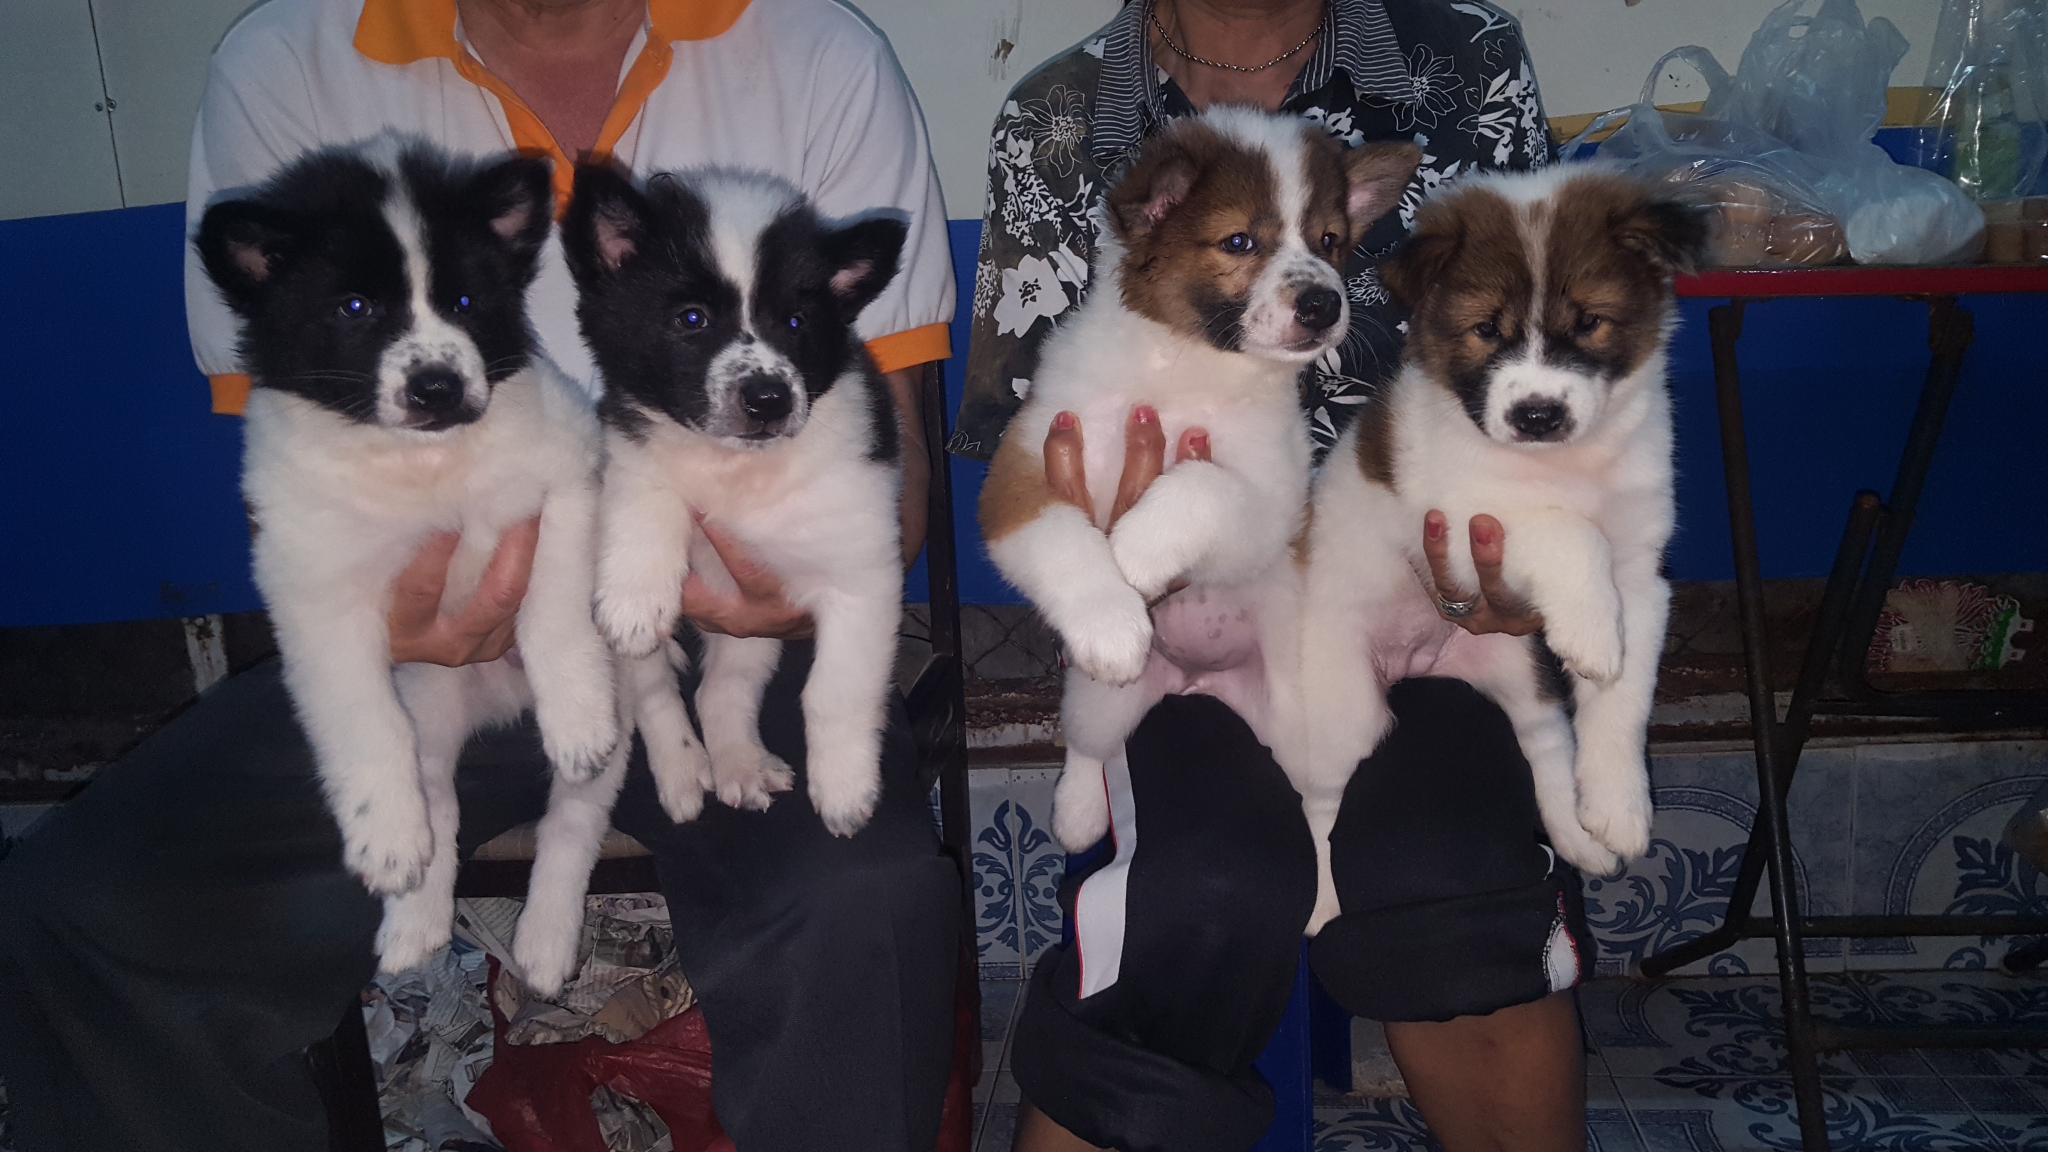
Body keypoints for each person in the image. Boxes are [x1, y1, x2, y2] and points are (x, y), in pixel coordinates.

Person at [0, 1, 962, 1149]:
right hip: (426, 627)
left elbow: (891, 470)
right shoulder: (287, 66)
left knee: (863, 907)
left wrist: (777, 596)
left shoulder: (819, 56)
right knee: (92, 909)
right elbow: (289, 447)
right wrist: (393, 622)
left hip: (725, 617)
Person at [954, 2, 1593, 1151]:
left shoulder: (1460, 61)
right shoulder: (1060, 116)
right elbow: (1021, 444)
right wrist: (1110, 569)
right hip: (1186, 627)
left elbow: (1546, 366)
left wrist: (1524, 553)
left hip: (1425, 604)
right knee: (1202, 895)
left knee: (1450, 874)